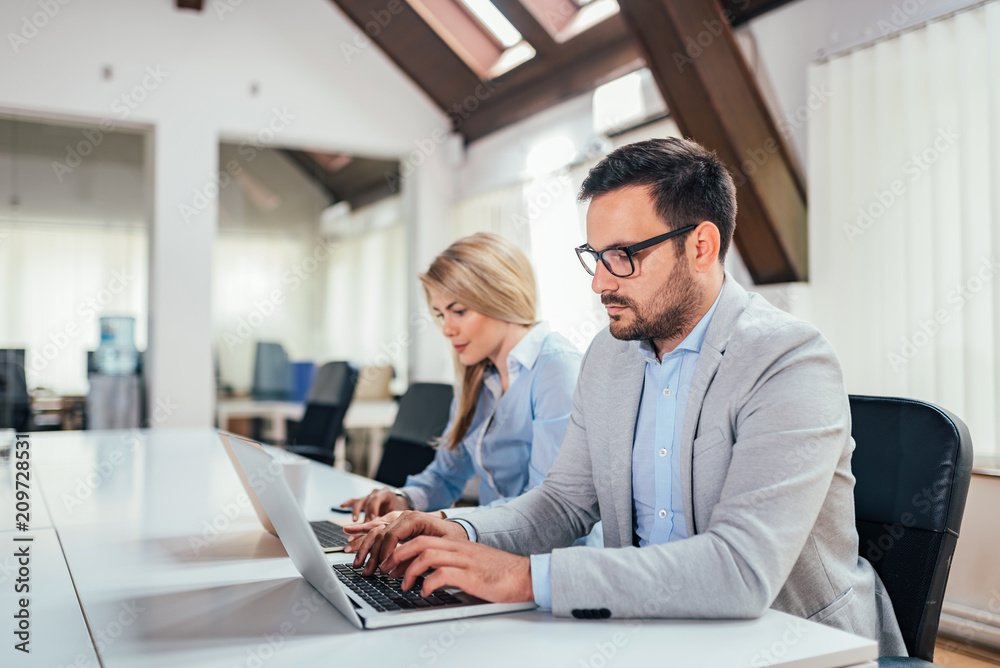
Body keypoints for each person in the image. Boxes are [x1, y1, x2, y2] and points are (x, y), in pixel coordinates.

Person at [345, 137, 907, 657]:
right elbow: (563, 503)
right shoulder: (610, 356)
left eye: (623, 256)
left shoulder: (788, 361)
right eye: (594, 256)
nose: (599, 283)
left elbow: (740, 570)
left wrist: (519, 576)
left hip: (792, 645)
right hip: (650, 629)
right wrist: (460, 530)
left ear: (701, 246)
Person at [340, 233, 582, 527]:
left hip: (551, 561)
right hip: (496, 548)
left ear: (501, 298)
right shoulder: (479, 376)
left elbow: (548, 506)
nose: (447, 329)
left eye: (459, 311)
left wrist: (441, 521)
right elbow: (446, 474)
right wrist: (404, 500)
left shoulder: (557, 369)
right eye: (441, 314)